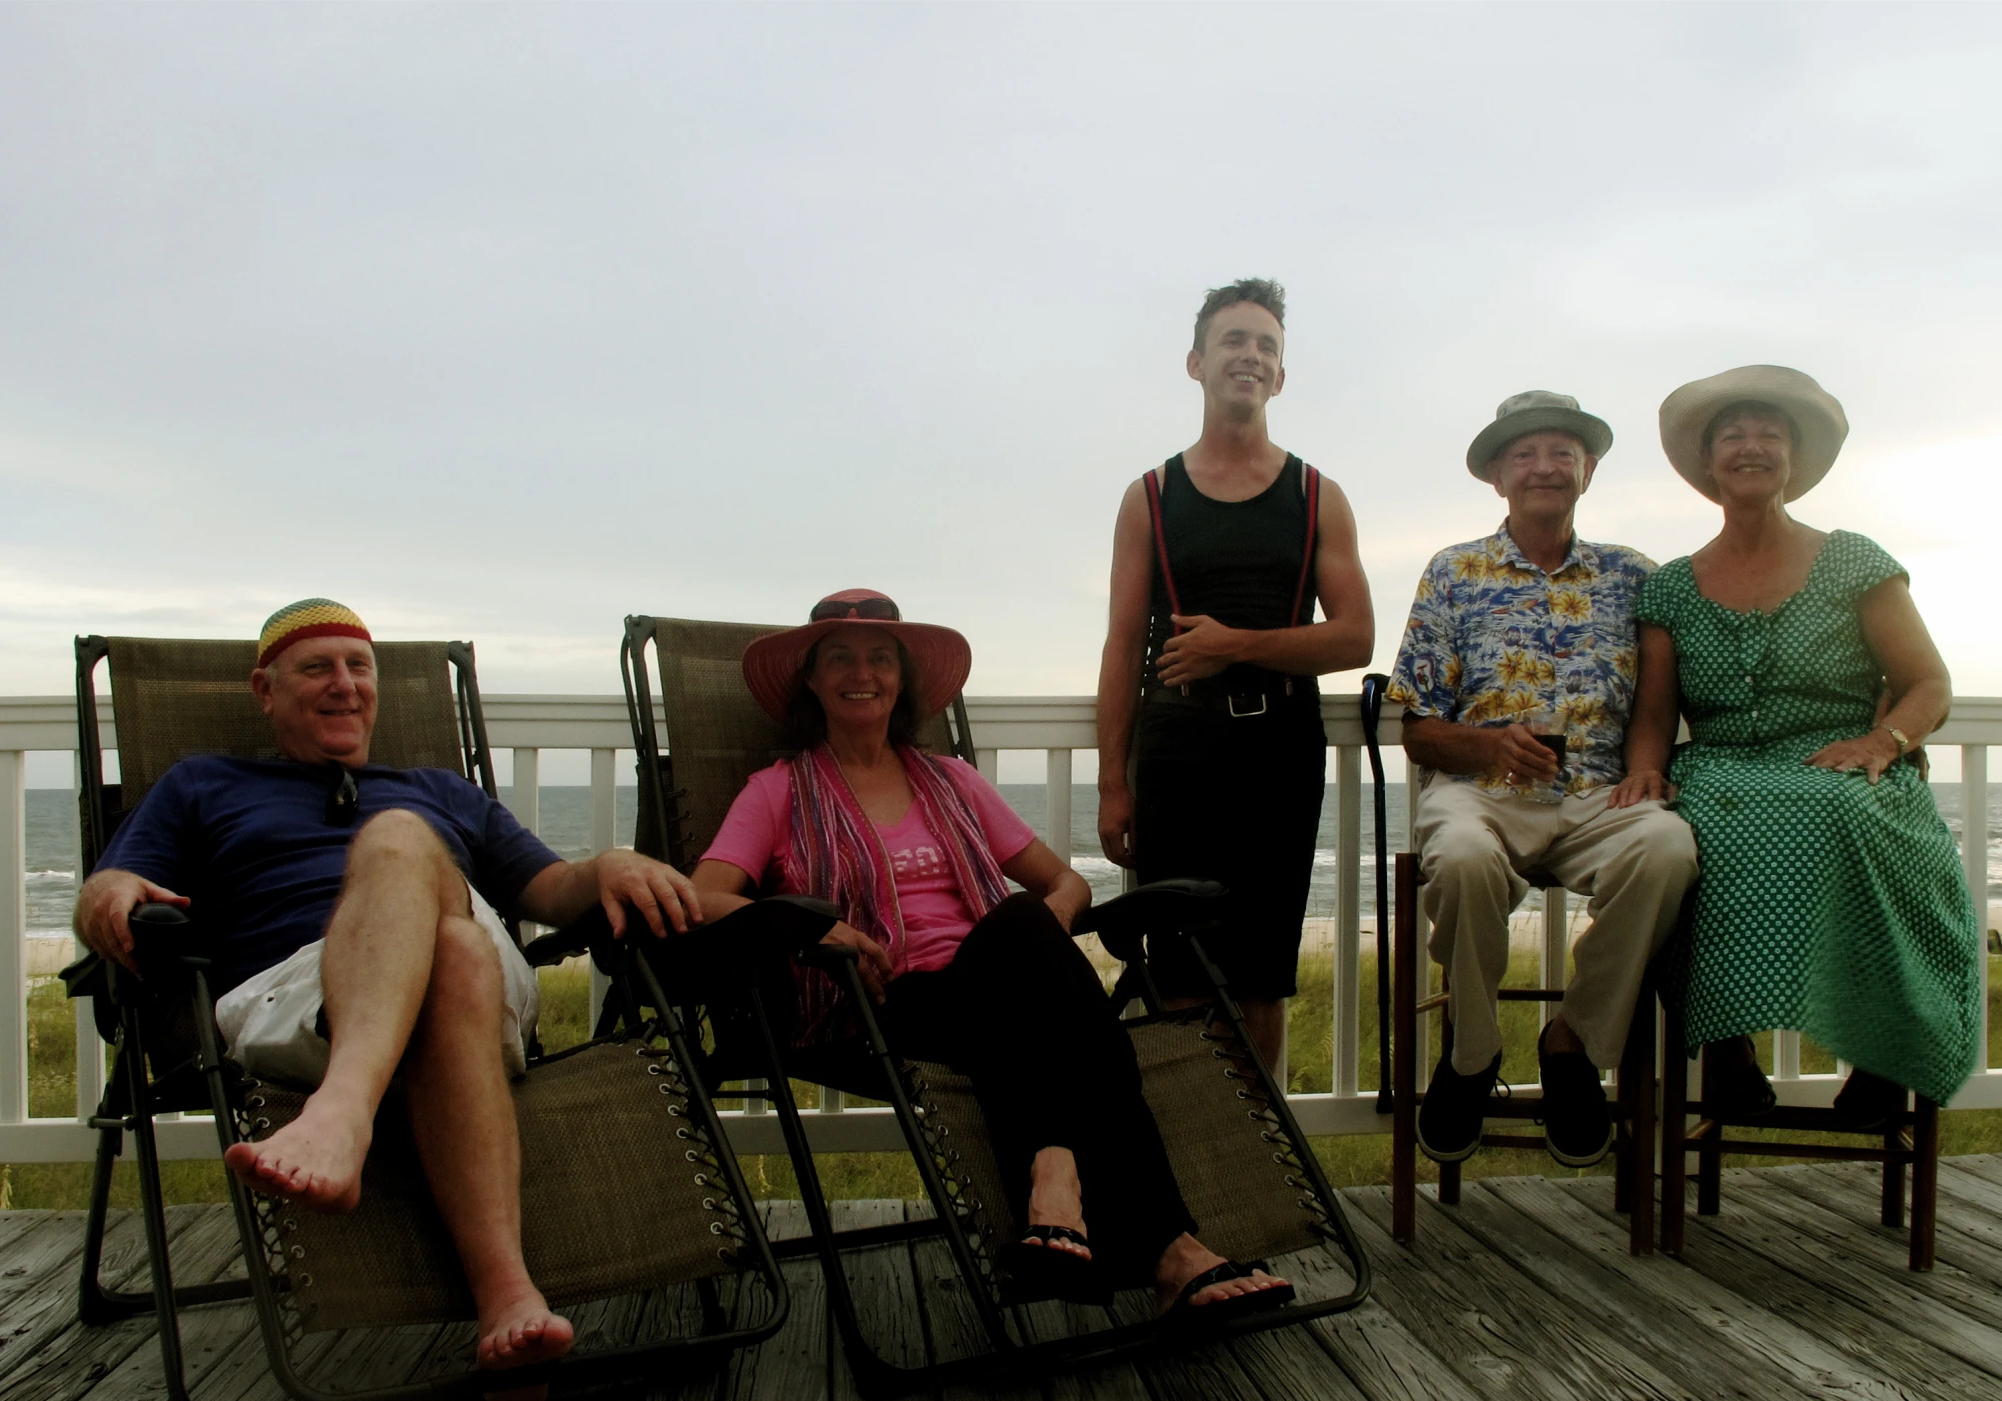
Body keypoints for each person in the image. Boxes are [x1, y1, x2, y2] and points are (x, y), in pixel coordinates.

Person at [74, 599, 705, 1385]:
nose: (345, 684)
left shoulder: (437, 790)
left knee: (404, 843)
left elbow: (551, 888)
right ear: (265, 690)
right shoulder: (201, 784)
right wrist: (109, 891)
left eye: (358, 667)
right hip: (293, 999)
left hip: (453, 1016)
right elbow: (111, 885)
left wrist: (607, 862)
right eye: (317, 668)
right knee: (457, 949)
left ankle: (341, 1116)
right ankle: (508, 1297)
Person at [690, 588, 1294, 1324]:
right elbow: (705, 898)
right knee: (1056, 993)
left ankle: (1058, 1183)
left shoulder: (953, 780)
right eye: (840, 657)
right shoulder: (778, 792)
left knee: (1024, 935)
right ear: (811, 681)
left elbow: (1063, 881)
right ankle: (1169, 1246)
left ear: (902, 680)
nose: (863, 672)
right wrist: (817, 933)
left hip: (999, 990)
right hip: (879, 1001)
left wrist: (1045, 927)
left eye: (881, 657)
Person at [1622, 366, 1979, 1113]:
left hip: (1840, 756)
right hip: (1718, 764)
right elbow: (1654, 714)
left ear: (1792, 458)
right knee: (1682, 829)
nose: (1750, 447)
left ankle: (1884, 1055)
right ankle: (1724, 1051)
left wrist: (1884, 742)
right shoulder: (1671, 588)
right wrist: (1646, 774)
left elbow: (1929, 683)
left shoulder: (1854, 560)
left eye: (1769, 434)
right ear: (1709, 463)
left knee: (1840, 810)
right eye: (1732, 435)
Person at [1388, 392, 1699, 1166]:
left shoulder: (1636, 577)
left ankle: (1572, 1044)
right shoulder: (1453, 572)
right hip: (1484, 796)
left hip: (1600, 796)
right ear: (1497, 475)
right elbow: (1417, 726)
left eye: (1563, 452)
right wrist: (1490, 747)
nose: (1545, 467)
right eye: (1524, 454)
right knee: (1457, 855)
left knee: (1668, 849)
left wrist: (1647, 766)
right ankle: (1473, 1054)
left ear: (1587, 471)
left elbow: (1661, 699)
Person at [1095, 279, 1374, 1074]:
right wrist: (1115, 783)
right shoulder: (1150, 497)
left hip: (1281, 748)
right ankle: (1192, 1168)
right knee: (1178, 970)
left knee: (1261, 973)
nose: (1249, 356)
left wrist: (1235, 645)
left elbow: (1354, 637)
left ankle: (1258, 1171)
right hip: (1178, 749)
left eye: (1265, 346)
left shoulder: (1317, 495)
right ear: (1197, 363)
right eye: (1233, 341)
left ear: (1280, 377)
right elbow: (1121, 645)